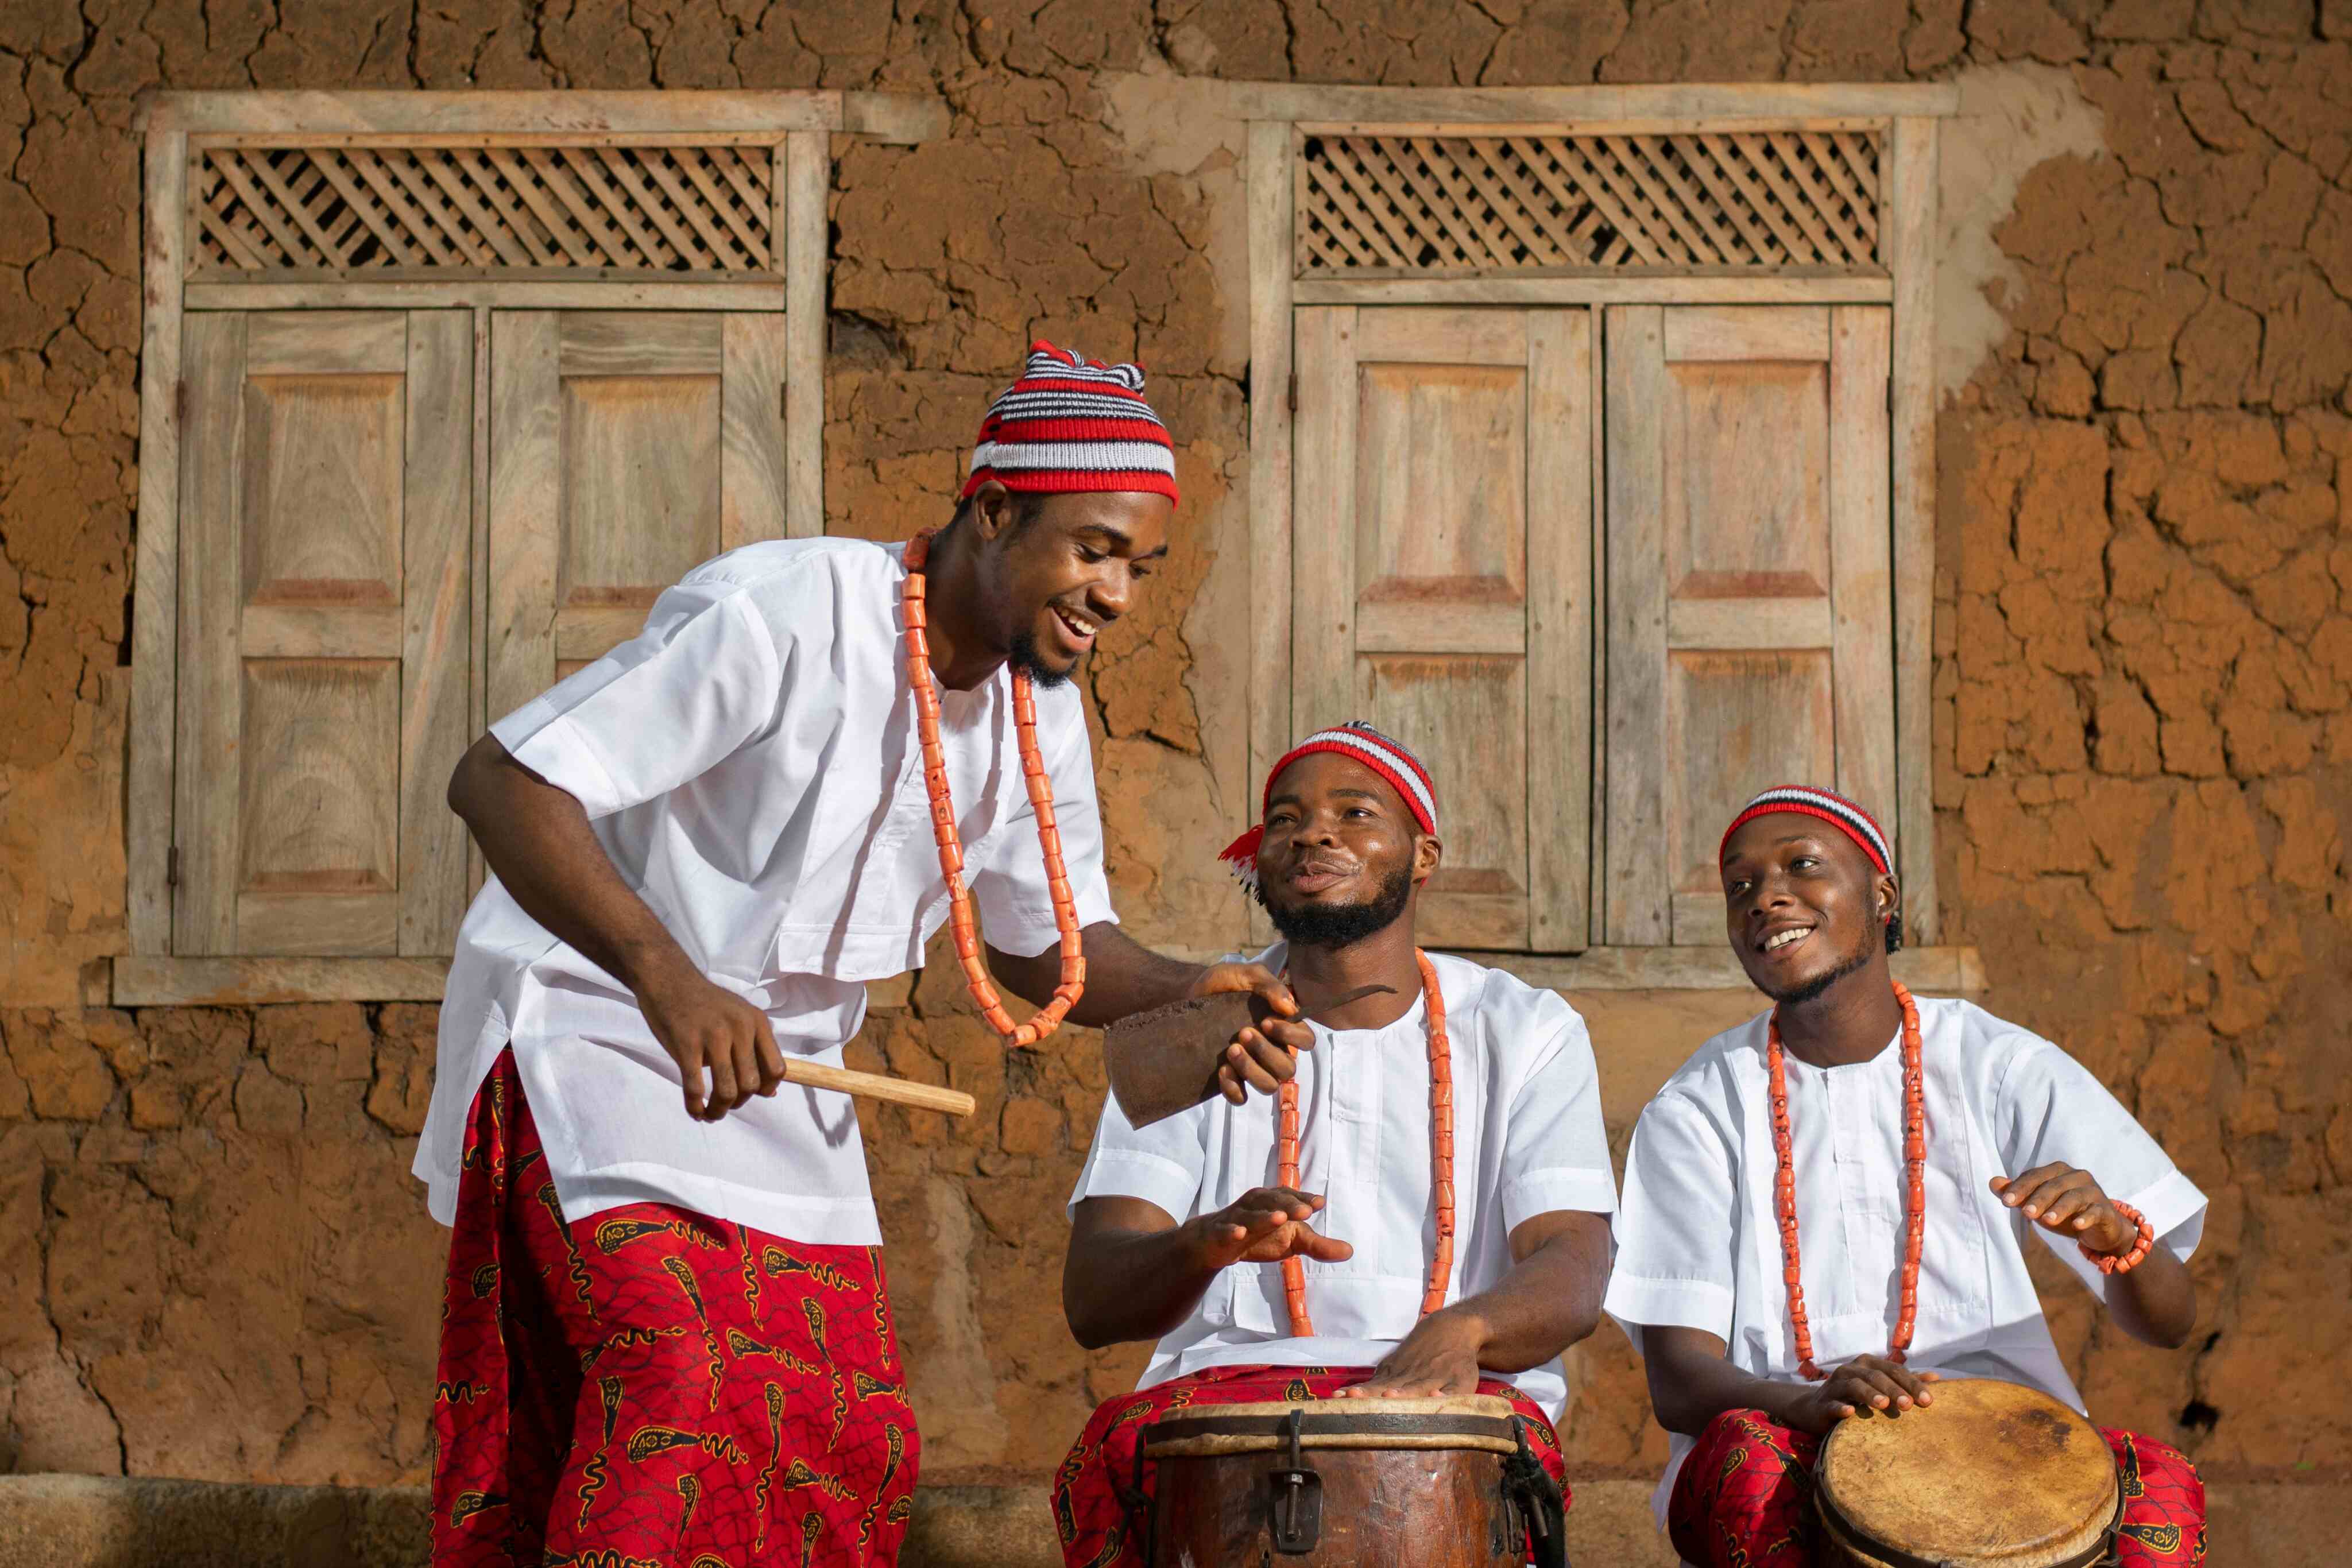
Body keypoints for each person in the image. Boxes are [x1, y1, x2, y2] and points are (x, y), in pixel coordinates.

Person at [419, 343, 1303, 1568]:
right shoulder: (785, 611)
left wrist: (1193, 988)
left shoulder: (1036, 704)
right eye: (1093, 548)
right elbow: (504, 778)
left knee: (851, 1430)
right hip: (604, 1028)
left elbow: (1057, 946)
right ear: (993, 510)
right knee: (682, 1385)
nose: (1118, 594)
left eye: (1139, 567)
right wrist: (669, 978)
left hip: (788, 1078)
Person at [1052, 721, 1619, 1567]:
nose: (1312, 833)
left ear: (1424, 856)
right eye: (1285, 819)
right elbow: (1094, 1299)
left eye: (1355, 813)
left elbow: (1574, 1265)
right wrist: (1203, 1246)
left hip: (1459, 1404)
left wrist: (1463, 1331)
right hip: (1224, 1414)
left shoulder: (1524, 1029)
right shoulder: (1193, 1027)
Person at [1605, 784, 2209, 1567]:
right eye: (1740, 888)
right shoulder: (1697, 1107)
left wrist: (2119, 1238)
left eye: (1802, 866)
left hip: (2004, 1447)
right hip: (1791, 1435)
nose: (1767, 899)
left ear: (1883, 896)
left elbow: (2169, 1320)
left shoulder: (2000, 1067)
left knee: (2162, 1491)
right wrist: (1809, 1404)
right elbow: (1679, 1384)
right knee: (1745, 1470)